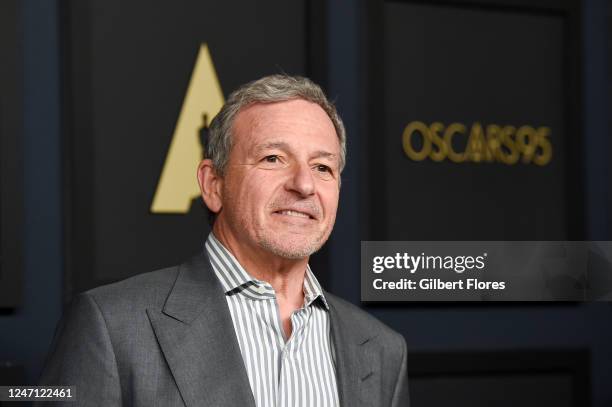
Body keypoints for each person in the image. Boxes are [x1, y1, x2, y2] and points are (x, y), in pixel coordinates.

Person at [39, 75, 409, 406]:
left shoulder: (381, 350)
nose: (304, 184)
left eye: (323, 167)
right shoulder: (111, 326)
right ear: (213, 185)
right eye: (273, 158)